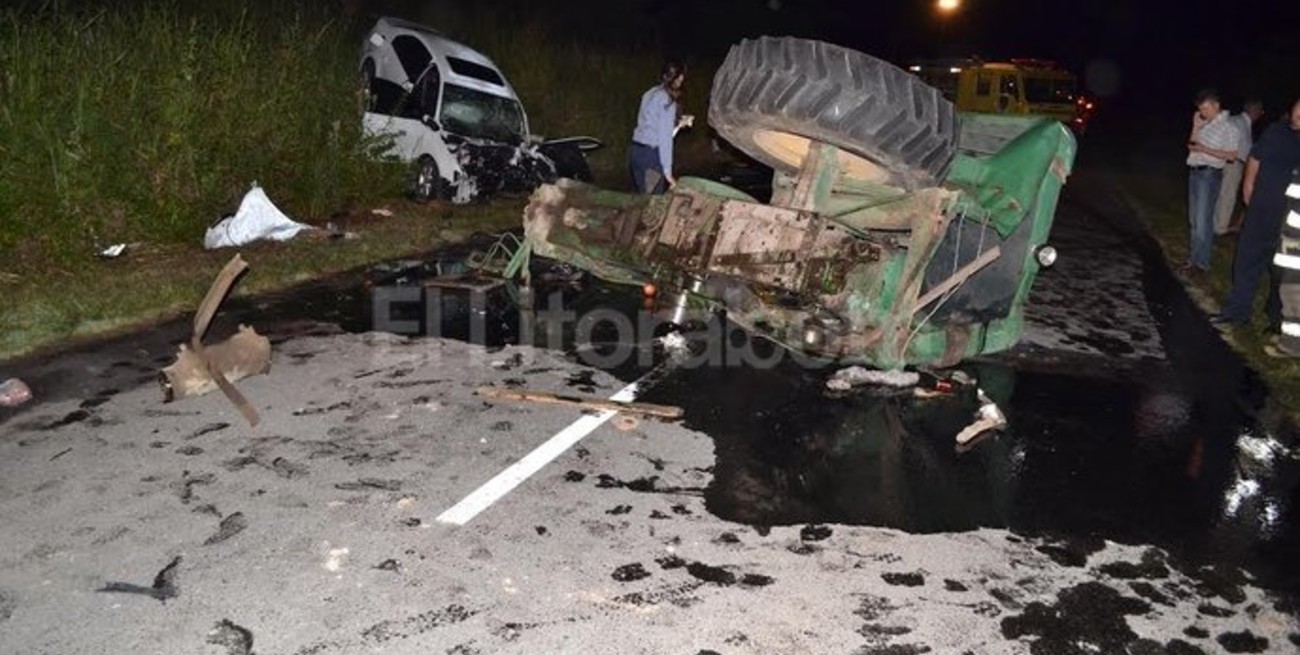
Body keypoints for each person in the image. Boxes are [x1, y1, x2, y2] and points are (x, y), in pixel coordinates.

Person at [1212, 97, 1300, 328]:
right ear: (1292, 108)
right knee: (1245, 261)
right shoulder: (1275, 132)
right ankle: (1238, 311)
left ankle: (1275, 319)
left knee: (1281, 272)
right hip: (1260, 210)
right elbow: (1254, 157)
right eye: (1299, 106)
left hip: (1290, 220)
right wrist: (1248, 187)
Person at [1184, 89, 1240, 277]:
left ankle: (1201, 263)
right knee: (1194, 220)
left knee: (1203, 221)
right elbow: (1192, 145)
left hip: (1209, 175)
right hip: (1194, 172)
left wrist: (1205, 149)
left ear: (1216, 105)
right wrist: (1196, 126)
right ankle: (1193, 260)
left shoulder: (1229, 127)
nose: (1203, 112)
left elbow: (1232, 155)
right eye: (1201, 109)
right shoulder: (1204, 123)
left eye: (1206, 109)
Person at [630, 59, 692, 194]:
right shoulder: (666, 100)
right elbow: (664, 139)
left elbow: (651, 124)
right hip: (651, 158)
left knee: (644, 197)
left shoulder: (650, 92)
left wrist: (678, 123)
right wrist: (668, 173)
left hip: (636, 152)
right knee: (653, 200)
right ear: (678, 77)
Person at [1215, 100, 1265, 235]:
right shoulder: (1239, 123)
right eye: (1260, 112)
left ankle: (1216, 223)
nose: (1261, 115)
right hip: (1233, 162)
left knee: (1222, 193)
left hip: (1227, 161)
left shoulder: (1238, 121)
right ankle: (1220, 227)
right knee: (1227, 194)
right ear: (1255, 111)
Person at [1268, 168, 1300, 356]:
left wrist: (1293, 237)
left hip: (1296, 242)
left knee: (1292, 292)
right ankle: (1290, 339)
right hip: (1292, 239)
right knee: (1289, 291)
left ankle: (1291, 345)